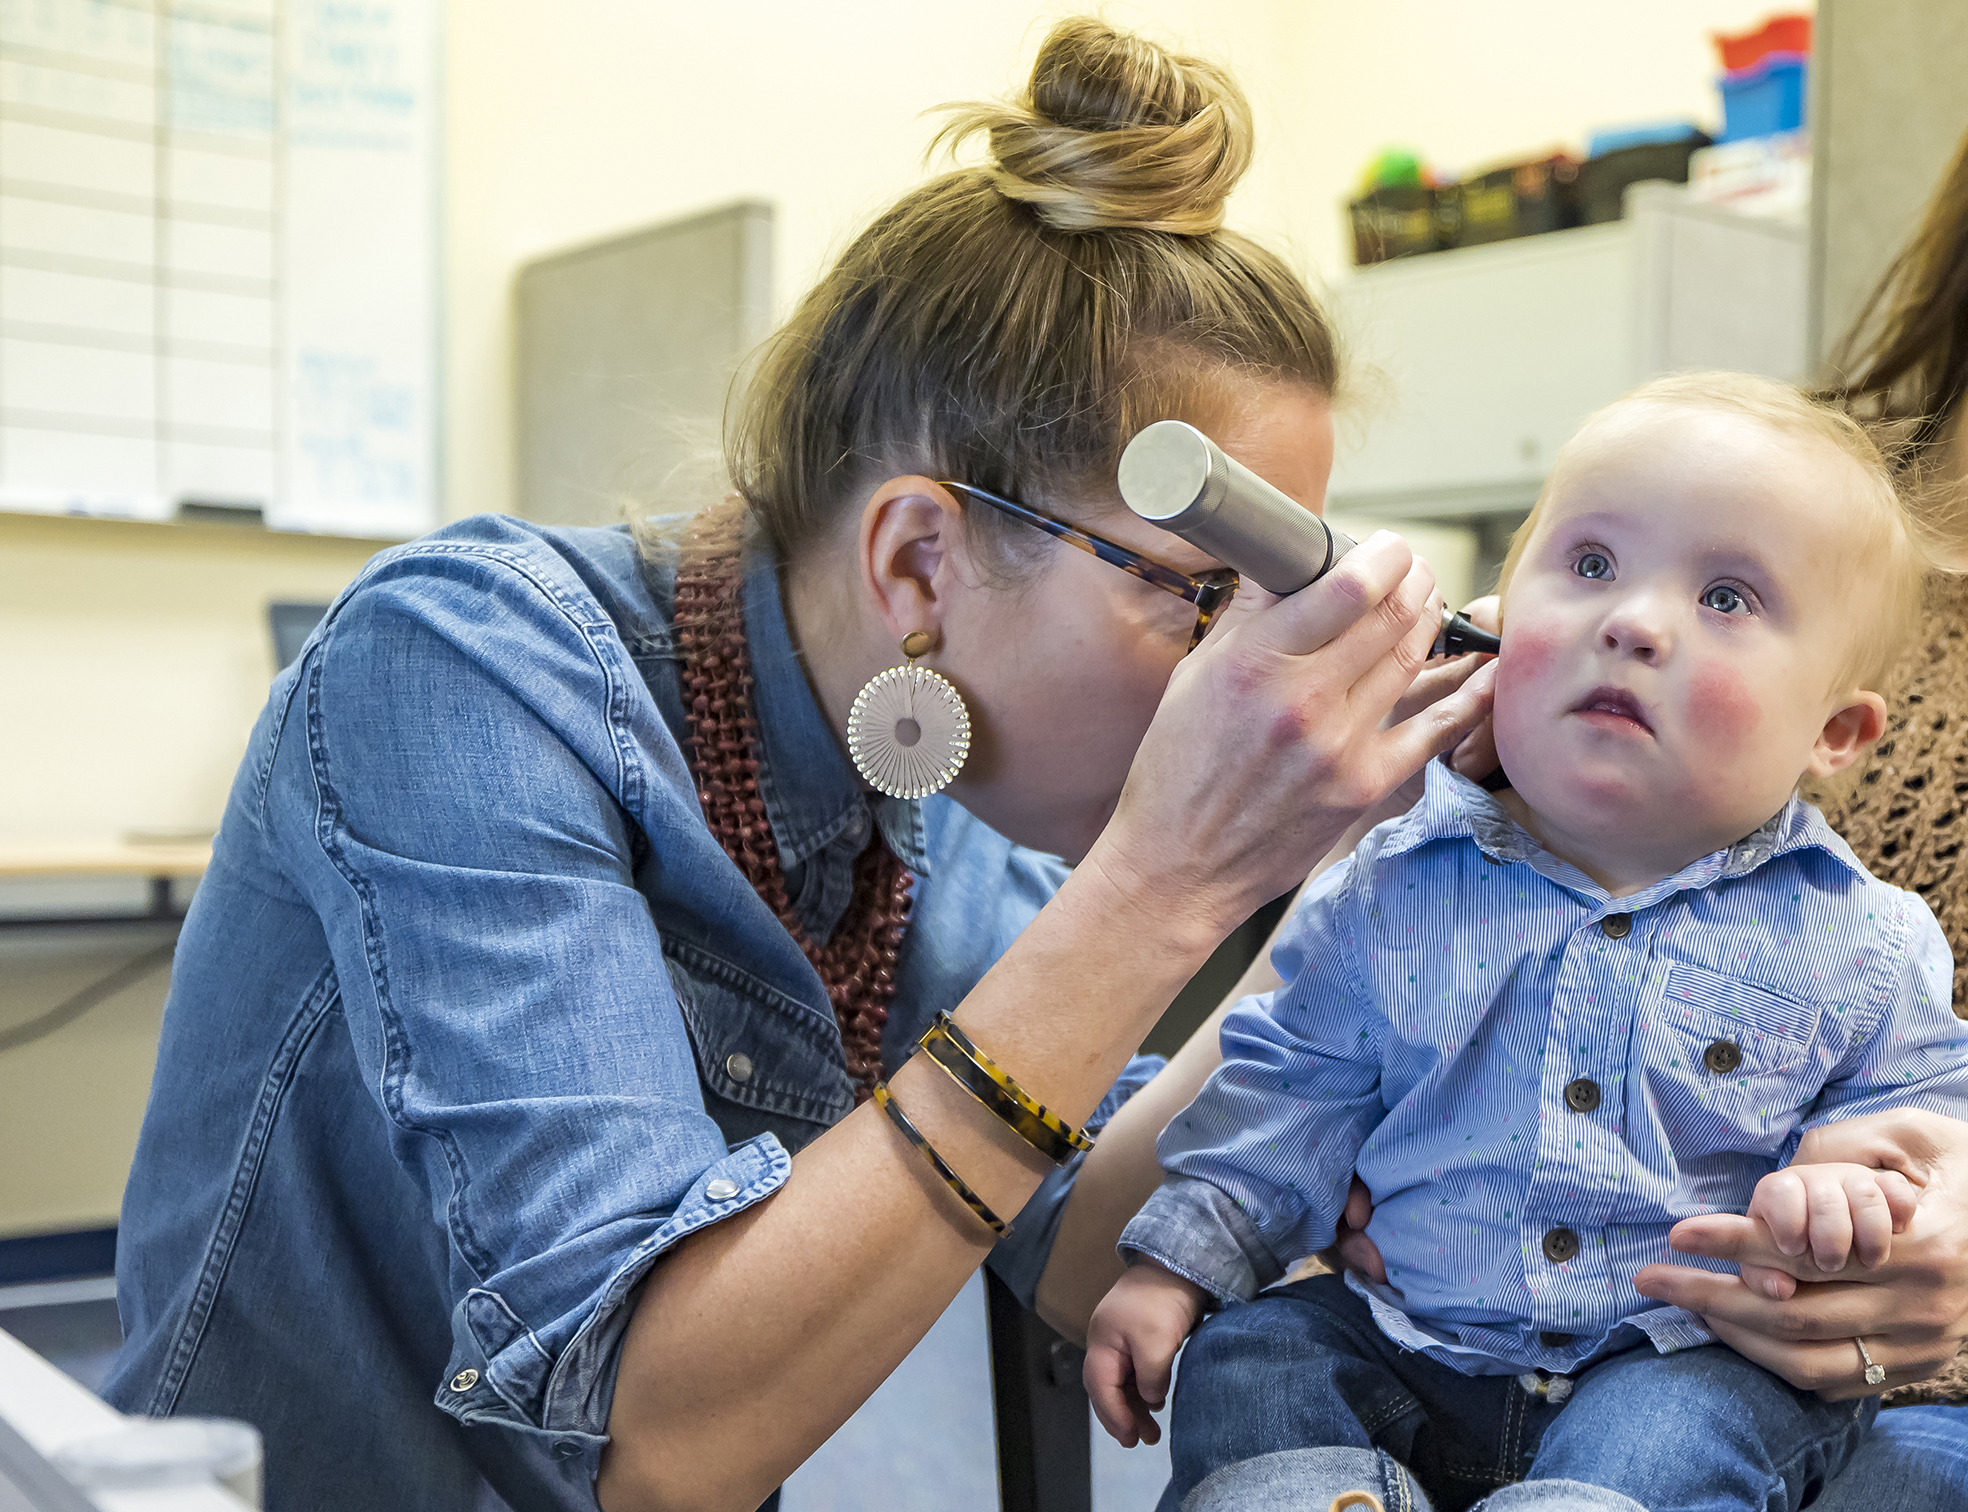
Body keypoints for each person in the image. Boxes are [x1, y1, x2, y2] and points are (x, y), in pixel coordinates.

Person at [94, 20, 1968, 1512]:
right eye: (1192, 595)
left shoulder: (917, 790)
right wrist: (1165, 883)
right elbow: (665, 1437)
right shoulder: (463, 663)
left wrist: (1389, 908)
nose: (1253, 661)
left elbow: (1079, 1251)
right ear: (917, 559)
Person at [1085, 374, 1968, 1512]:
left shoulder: (1866, 941)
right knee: (1254, 1359)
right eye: (1591, 566)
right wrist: (1176, 1263)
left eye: (1729, 598)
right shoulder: (1391, 885)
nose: (1634, 620)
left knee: (1702, 1426)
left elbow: (1926, 1117)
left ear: (1835, 734)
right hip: (1409, 1340)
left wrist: (1854, 1188)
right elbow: (1290, 1090)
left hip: (1672, 1359)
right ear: (1499, 626)